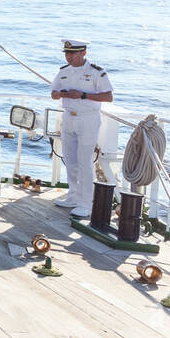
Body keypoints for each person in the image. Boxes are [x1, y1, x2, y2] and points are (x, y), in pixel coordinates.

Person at [50, 39, 114, 217]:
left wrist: (83, 95)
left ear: (83, 53)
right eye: (66, 53)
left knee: (84, 162)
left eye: (72, 53)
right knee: (70, 160)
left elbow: (108, 97)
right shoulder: (63, 72)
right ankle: (72, 196)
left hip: (88, 120)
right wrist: (60, 94)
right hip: (68, 118)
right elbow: (53, 93)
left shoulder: (96, 73)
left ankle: (85, 203)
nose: (68, 56)